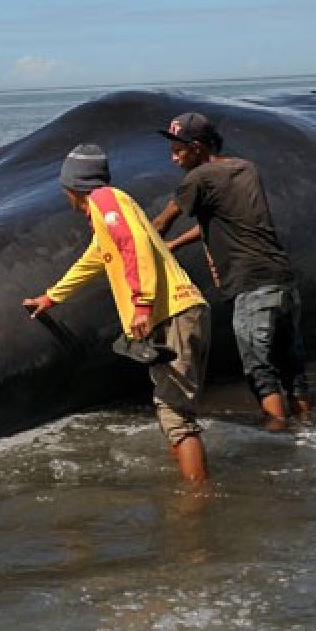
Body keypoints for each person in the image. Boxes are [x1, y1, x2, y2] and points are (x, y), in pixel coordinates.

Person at [22, 143, 212, 483]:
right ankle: (188, 485)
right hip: (175, 316)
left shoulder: (105, 199)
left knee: (176, 414)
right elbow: (92, 261)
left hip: (172, 314)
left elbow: (133, 244)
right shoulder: (106, 215)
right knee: (171, 409)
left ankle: (198, 501)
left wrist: (141, 303)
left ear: (72, 187)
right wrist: (51, 298)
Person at [153, 113, 312, 430]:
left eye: (177, 150)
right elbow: (227, 222)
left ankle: (279, 440)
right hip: (281, 278)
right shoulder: (245, 168)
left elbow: (159, 223)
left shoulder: (197, 179)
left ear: (197, 147)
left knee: (259, 368)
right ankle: (307, 426)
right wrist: (177, 246)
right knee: (290, 365)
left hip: (249, 284)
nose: (173, 158)